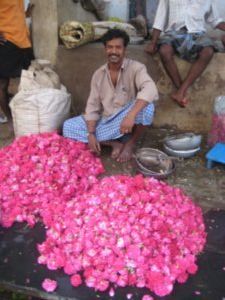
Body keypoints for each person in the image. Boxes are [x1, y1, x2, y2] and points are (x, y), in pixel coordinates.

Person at [63, 29, 158, 162]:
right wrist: (90, 133)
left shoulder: (137, 68)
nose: (113, 51)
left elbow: (150, 89)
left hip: (127, 124)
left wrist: (130, 116)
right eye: (110, 47)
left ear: (125, 50)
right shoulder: (98, 74)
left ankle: (130, 144)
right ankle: (113, 143)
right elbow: (92, 106)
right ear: (105, 49)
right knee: (68, 126)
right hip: (107, 122)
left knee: (148, 106)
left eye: (118, 47)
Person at [145, 0, 225, 107]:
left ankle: (181, 91)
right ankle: (181, 91)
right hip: (174, 33)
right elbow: (160, 19)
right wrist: (153, 42)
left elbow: (216, 20)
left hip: (197, 33)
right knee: (164, 50)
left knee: (208, 51)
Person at [0, 0, 34, 124]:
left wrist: (26, 14)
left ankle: (25, 116)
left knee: (29, 80)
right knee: (2, 85)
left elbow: (12, 13)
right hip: (6, 42)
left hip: (23, 40)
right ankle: (10, 120)